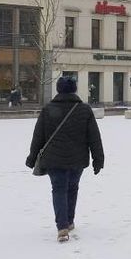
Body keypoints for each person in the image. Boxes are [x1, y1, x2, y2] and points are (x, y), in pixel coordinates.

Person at [26, 76, 104, 243]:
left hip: (54, 159)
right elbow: (94, 137)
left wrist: (32, 157)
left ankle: (62, 227)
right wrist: (98, 159)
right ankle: (68, 221)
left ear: (58, 89)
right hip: (77, 158)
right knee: (73, 188)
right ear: (75, 89)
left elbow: (38, 136)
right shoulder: (84, 109)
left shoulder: (48, 109)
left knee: (59, 189)